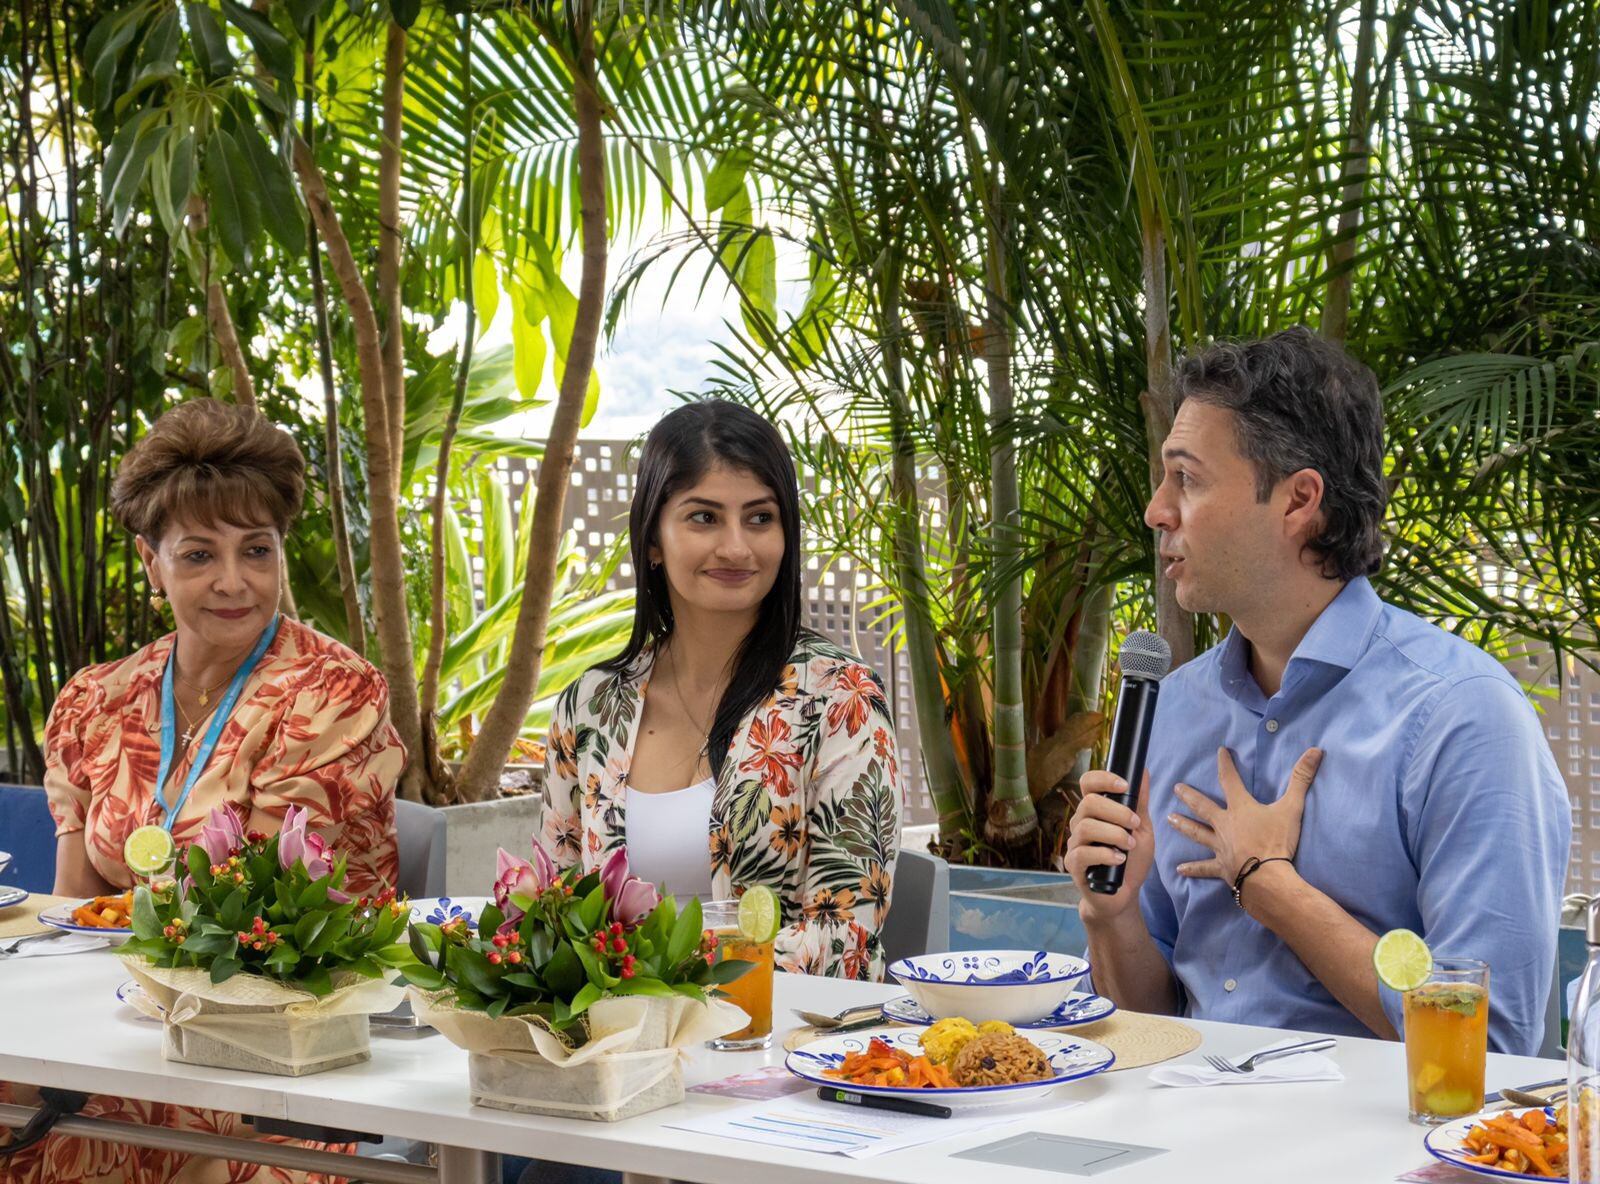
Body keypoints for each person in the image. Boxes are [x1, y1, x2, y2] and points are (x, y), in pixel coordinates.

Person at [1063, 327, 1569, 1055]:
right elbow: (1147, 1024)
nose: (1156, 511)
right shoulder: (1172, 708)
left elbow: (1489, 1044)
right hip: (1180, 1115)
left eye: (1187, 479)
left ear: (1299, 500)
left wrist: (1270, 886)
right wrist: (1111, 918)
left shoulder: (1464, 717)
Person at [0, 399, 403, 1184]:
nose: (233, 582)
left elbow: (258, 919)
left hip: (272, 1045)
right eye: (198, 556)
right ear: (151, 563)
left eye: (256, 550)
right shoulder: (95, 700)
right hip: (118, 1030)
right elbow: (74, 914)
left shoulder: (333, 694)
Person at [538, 399, 901, 981]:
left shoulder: (841, 700)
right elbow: (554, 910)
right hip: (617, 1030)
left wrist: (667, 980)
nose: (736, 547)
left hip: (792, 1027)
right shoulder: (590, 708)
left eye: (760, 518)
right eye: (704, 517)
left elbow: (844, 939)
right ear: (653, 539)